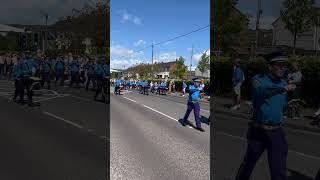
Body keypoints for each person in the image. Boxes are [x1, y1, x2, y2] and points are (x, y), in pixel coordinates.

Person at [235, 51, 296, 180]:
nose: (282, 68)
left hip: (276, 133)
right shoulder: (258, 80)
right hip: (258, 131)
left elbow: (279, 106)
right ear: (270, 66)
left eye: (284, 65)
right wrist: (282, 89)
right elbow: (263, 92)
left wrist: (288, 104)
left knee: (279, 171)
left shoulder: (284, 83)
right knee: (248, 165)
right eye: (279, 65)